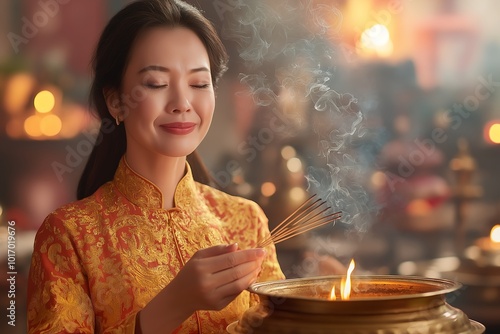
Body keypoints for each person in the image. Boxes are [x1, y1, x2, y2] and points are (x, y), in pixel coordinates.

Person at [26, 0, 285, 333]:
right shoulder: (69, 235)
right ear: (116, 100)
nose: (181, 103)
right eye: (156, 84)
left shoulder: (246, 222)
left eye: (198, 84)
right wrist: (175, 303)